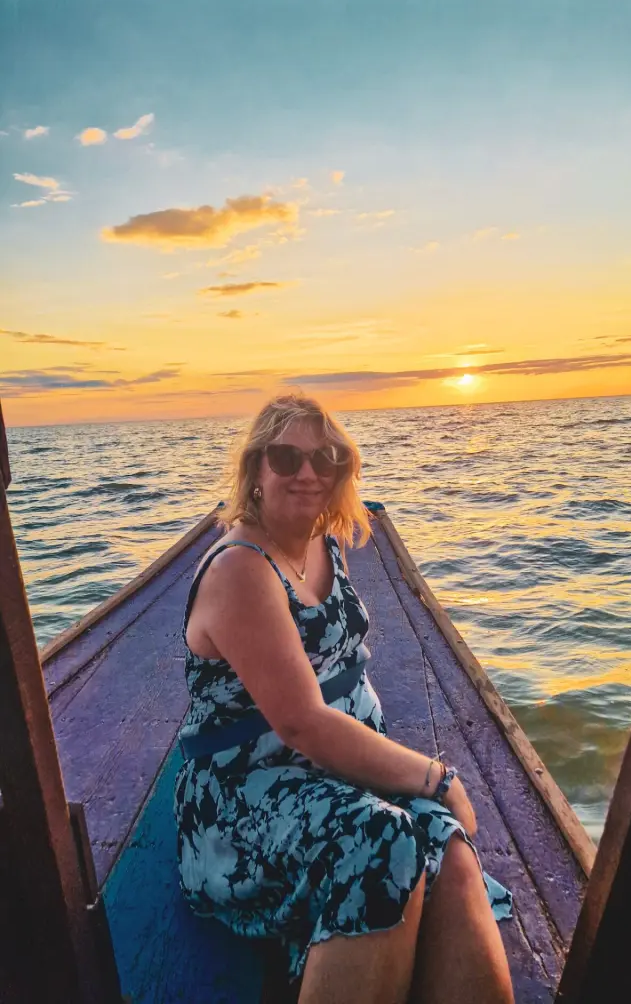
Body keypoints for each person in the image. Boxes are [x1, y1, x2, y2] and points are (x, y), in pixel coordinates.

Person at [174, 394, 515, 1004]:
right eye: (286, 457)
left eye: (325, 458)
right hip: (245, 797)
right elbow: (303, 723)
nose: (307, 472)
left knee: (451, 852)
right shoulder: (240, 569)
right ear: (256, 470)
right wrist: (437, 778)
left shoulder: (322, 544)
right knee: (383, 840)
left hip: (338, 773)